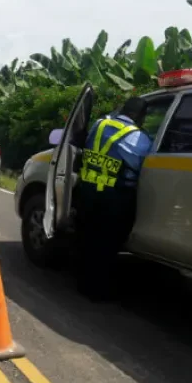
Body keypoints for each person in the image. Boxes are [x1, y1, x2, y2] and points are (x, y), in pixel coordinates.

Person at [74, 97, 153, 301]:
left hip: (88, 191)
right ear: (139, 116)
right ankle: (96, 290)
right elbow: (142, 165)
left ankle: (82, 282)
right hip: (114, 198)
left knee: (88, 237)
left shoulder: (100, 124)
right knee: (107, 244)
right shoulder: (138, 138)